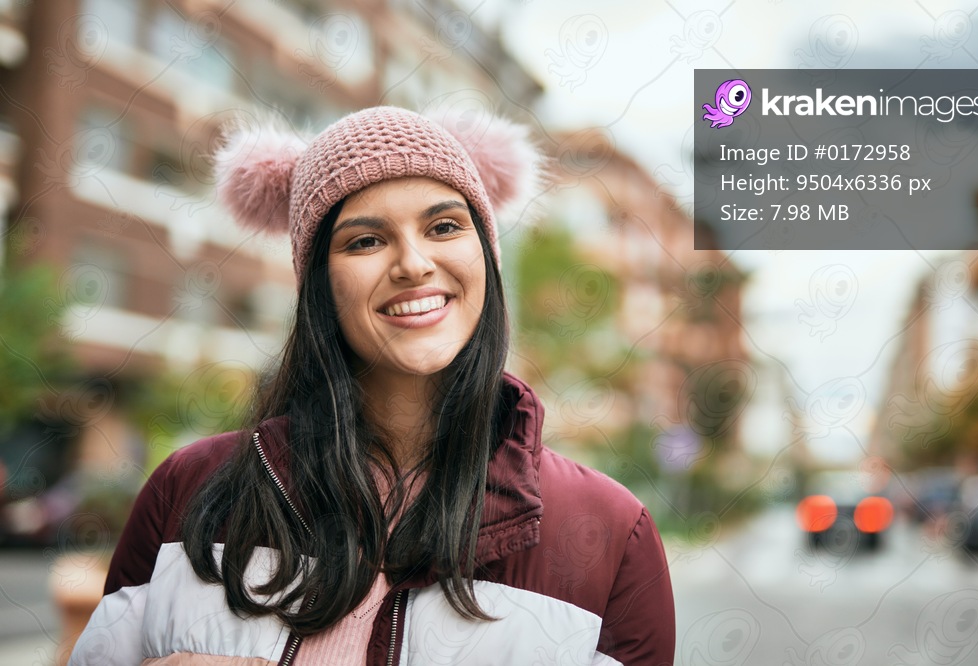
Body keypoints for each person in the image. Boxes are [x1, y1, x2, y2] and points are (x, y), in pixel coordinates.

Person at [69, 106, 675, 665]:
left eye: (443, 226)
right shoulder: (187, 489)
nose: (413, 263)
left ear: (485, 257)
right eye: (366, 240)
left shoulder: (611, 531)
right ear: (319, 285)